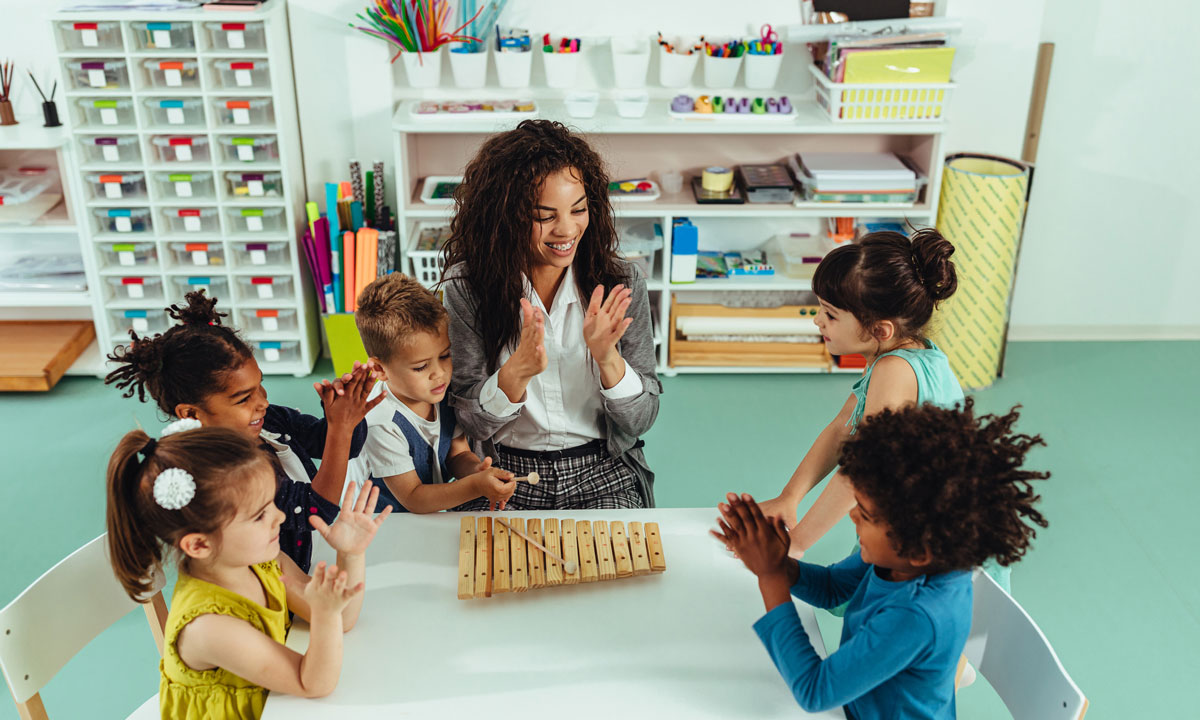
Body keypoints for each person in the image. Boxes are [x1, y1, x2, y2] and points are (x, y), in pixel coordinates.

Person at [714, 401, 1049, 719]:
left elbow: (815, 691)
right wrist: (778, 562)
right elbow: (832, 588)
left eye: (867, 515)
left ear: (919, 550)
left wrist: (770, 576)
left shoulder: (917, 615)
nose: (853, 518)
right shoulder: (907, 557)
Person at [440, 119, 660, 509]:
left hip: (602, 470)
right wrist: (516, 372)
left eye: (579, 209)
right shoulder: (467, 287)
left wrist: (608, 359)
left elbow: (641, 420)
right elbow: (472, 423)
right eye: (545, 215)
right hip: (503, 471)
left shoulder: (621, 282)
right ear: (504, 216)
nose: (567, 229)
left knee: (623, 570)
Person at [106, 423, 391, 719]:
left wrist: (349, 554)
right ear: (200, 545)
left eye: (272, 503)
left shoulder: (260, 561)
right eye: (260, 515)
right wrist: (326, 614)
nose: (279, 516)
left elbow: (343, 619)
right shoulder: (209, 627)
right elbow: (313, 682)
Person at [105, 290, 379, 571]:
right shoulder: (225, 472)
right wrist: (340, 429)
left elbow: (335, 445)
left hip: (315, 559)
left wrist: (347, 413)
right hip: (276, 591)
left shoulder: (268, 420)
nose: (263, 401)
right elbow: (314, 509)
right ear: (190, 414)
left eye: (260, 384)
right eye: (243, 398)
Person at [756, 229, 966, 562]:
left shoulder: (895, 370)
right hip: (899, 521)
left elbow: (864, 468)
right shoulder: (894, 355)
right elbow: (843, 427)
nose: (817, 321)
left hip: (932, 545)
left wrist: (796, 543)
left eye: (831, 314)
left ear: (880, 330)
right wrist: (789, 498)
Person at [353, 273, 517, 512]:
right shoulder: (380, 421)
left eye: (445, 356)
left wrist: (476, 470)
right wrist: (475, 487)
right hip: (385, 525)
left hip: (428, 514)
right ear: (379, 369)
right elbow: (413, 497)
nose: (439, 373)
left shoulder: (440, 392)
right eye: (421, 367)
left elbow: (457, 452)